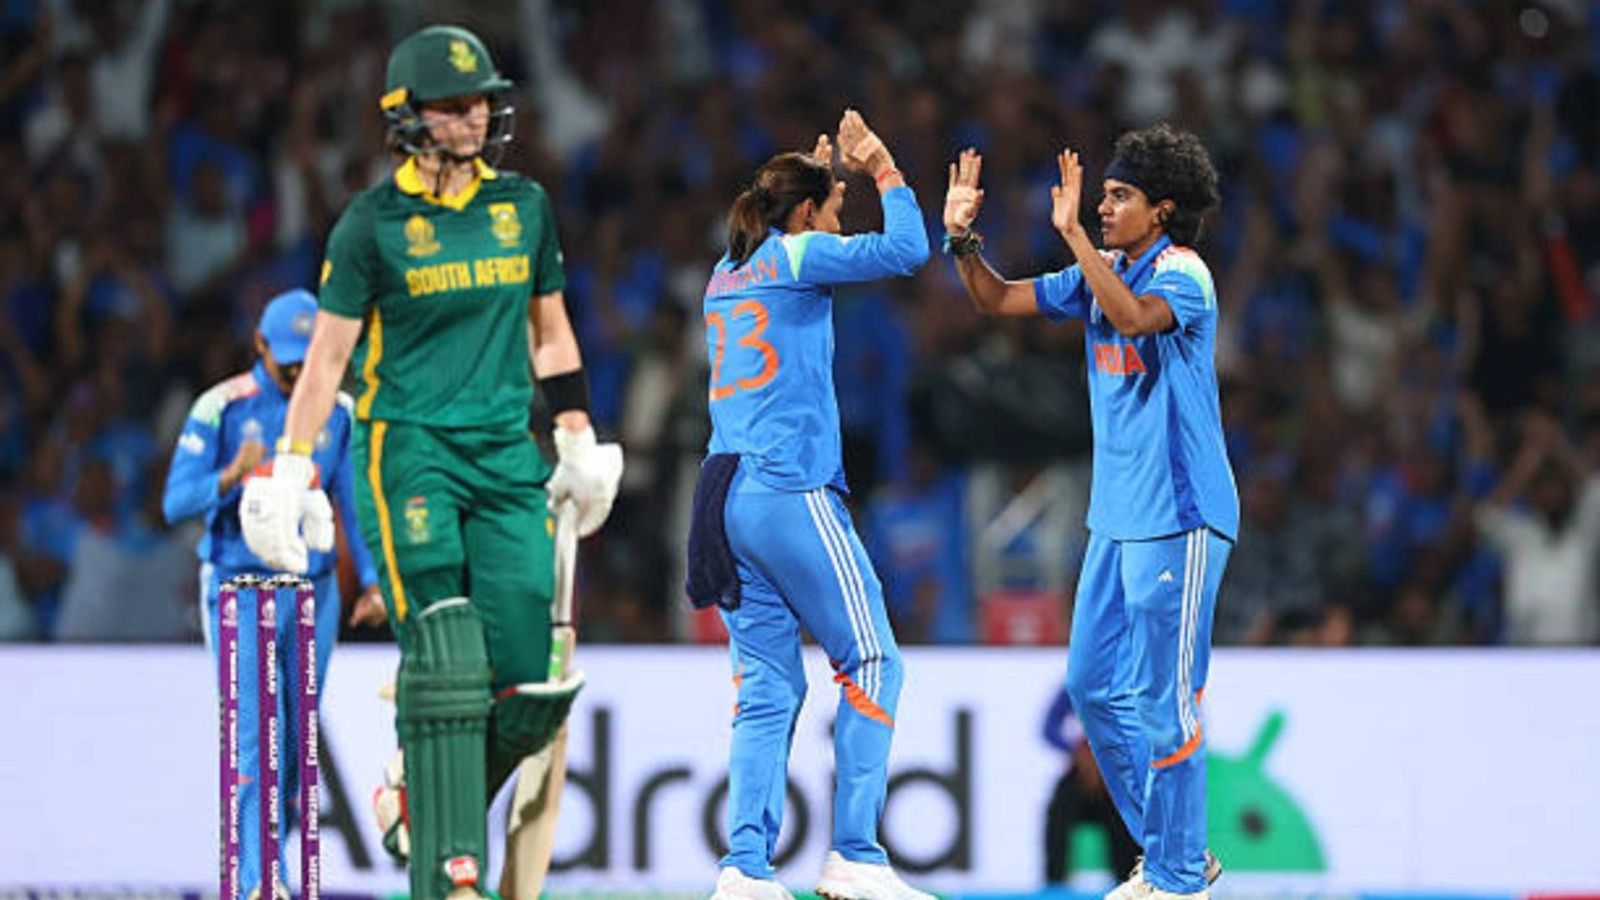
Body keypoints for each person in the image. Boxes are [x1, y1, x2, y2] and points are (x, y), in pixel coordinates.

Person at [238, 26, 623, 900]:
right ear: (407, 118)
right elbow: (328, 360)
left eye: (483, 99)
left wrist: (573, 436)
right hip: (406, 449)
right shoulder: (371, 226)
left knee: (531, 683)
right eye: (456, 105)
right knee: (446, 649)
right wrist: (294, 466)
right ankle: (453, 877)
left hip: (501, 453)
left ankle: (414, 795)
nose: (477, 115)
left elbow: (551, 332)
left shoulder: (522, 206)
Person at [944, 125, 1236, 899]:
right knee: (1090, 686)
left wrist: (1073, 237)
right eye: (1101, 196)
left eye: (1118, 196)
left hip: (1180, 513)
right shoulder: (1100, 268)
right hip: (1115, 518)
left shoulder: (1185, 276)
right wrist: (962, 239)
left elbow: (1136, 320)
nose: (1102, 207)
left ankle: (1174, 874)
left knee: (1163, 701)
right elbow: (996, 297)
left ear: (1161, 210)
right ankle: (1172, 854)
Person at [686, 110, 931, 900]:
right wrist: (882, 168)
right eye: (831, 211)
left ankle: (745, 869)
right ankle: (855, 852)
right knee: (872, 660)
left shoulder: (723, 275)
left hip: (722, 495)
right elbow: (906, 249)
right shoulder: (798, 253)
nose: (839, 225)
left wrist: (816, 180)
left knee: (768, 689)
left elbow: (790, 251)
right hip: (789, 487)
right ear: (804, 218)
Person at [162, 288, 386, 900]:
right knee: (253, 736)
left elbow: (355, 504)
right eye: (285, 356)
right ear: (259, 345)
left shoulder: (334, 411)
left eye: (304, 356)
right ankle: (256, 882)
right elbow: (174, 501)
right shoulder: (224, 406)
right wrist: (232, 475)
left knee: (295, 740)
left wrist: (370, 579)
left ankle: (277, 872)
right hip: (240, 589)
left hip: (313, 593)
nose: (294, 369)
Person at [1040, 681, 1139, 886]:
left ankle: (1128, 883)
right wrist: (1076, 751)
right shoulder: (1077, 681)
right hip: (1083, 768)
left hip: (1117, 770)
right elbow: (1049, 728)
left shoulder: (1133, 682)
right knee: (1058, 815)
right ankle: (1054, 884)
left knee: (1129, 820)